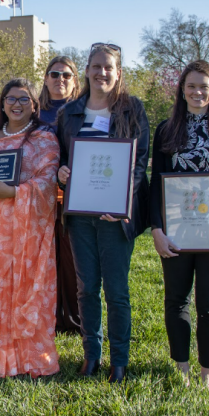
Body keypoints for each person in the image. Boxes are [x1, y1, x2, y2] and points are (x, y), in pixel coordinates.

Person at [150, 60, 209, 389]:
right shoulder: (166, 129)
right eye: (190, 86)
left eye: (204, 87)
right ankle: (181, 368)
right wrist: (157, 229)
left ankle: (207, 371)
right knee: (176, 299)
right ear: (181, 89)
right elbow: (155, 184)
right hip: (176, 230)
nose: (196, 92)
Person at [56, 43, 150, 384]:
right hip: (79, 216)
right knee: (86, 287)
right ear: (87, 70)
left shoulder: (133, 109)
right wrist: (60, 172)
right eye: (96, 66)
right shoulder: (70, 113)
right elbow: (60, 156)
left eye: (108, 67)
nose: (102, 73)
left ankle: (119, 360)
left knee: (116, 289)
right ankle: (91, 355)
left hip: (115, 218)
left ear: (118, 72)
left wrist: (121, 202)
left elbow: (138, 165)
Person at [0, 78, 60, 378]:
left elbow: (49, 180)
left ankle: (30, 356)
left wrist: (16, 193)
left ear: (34, 105)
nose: (17, 104)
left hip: (28, 227)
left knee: (25, 287)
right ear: (3, 102)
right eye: (11, 98)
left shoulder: (44, 136)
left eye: (24, 99)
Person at [39, 56, 82, 334]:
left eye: (66, 75)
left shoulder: (82, 111)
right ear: (45, 79)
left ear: (75, 80)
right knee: (43, 259)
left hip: (73, 196)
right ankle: (50, 315)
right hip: (39, 196)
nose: (60, 79)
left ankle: (75, 318)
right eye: (54, 74)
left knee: (72, 259)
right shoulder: (34, 111)